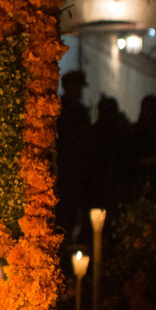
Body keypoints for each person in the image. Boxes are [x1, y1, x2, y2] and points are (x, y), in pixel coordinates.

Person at [54, 70, 93, 238]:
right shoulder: (61, 110)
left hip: (76, 171)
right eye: (76, 87)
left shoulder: (80, 112)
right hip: (63, 169)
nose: (79, 92)